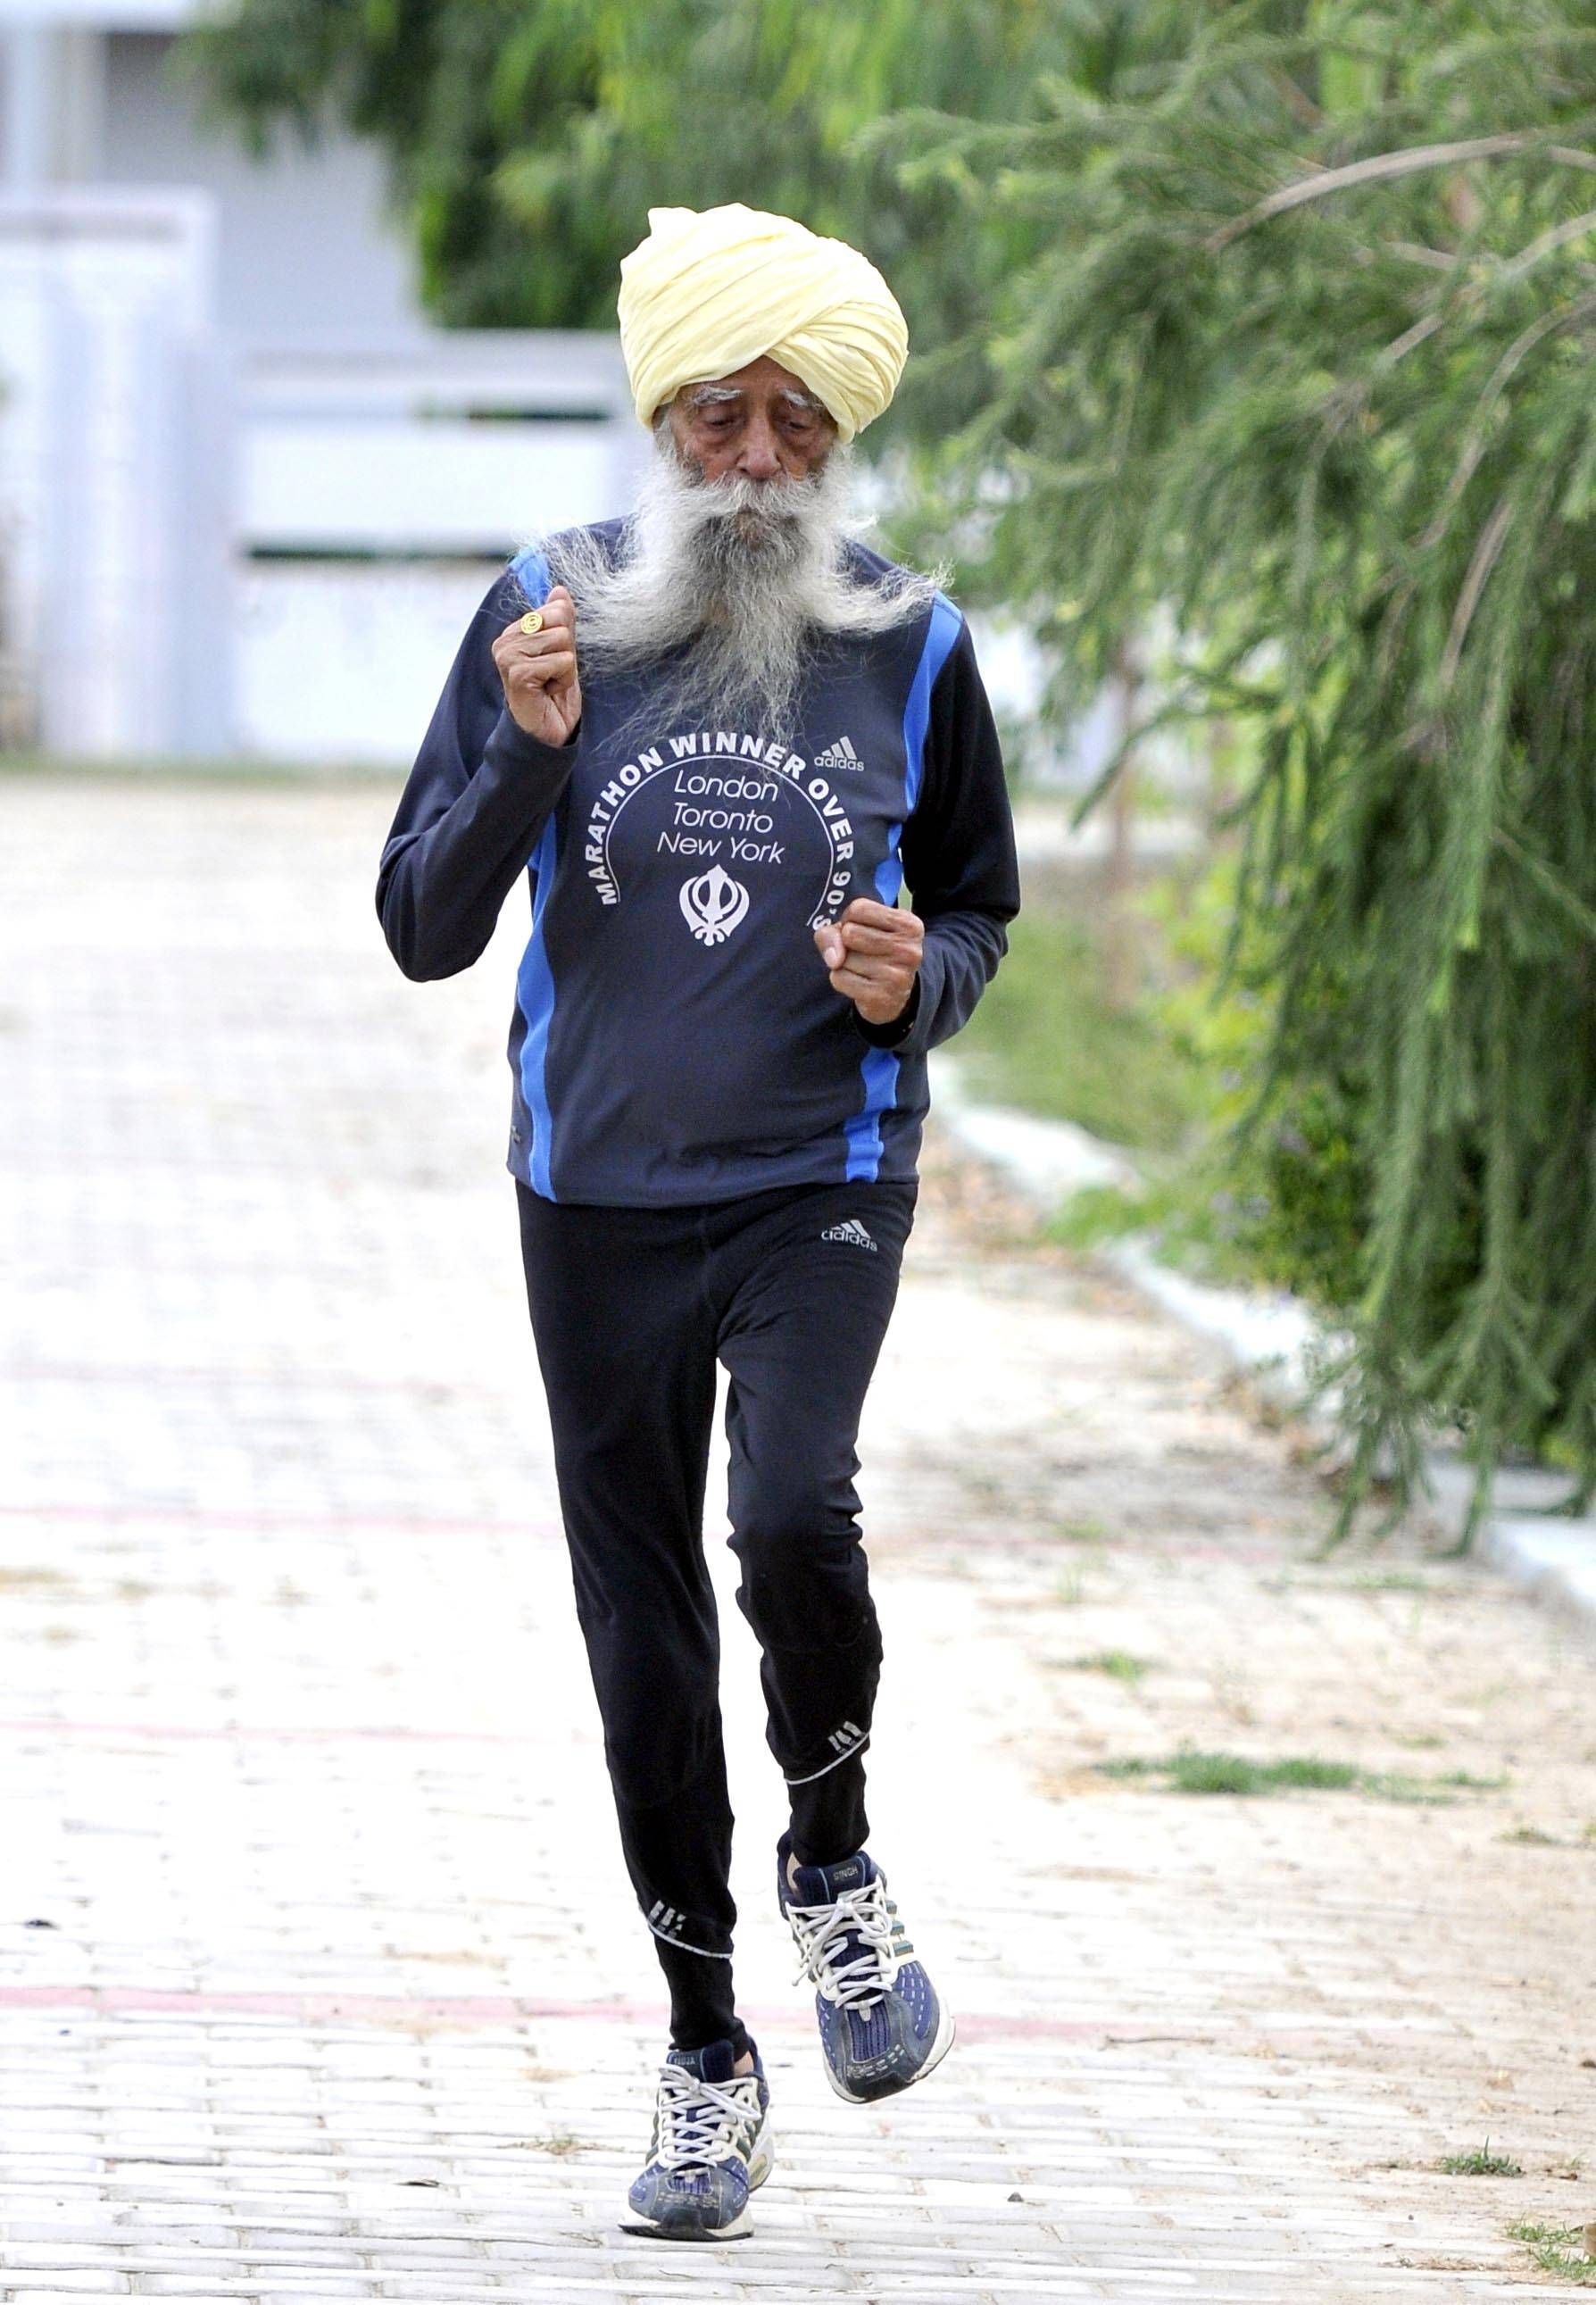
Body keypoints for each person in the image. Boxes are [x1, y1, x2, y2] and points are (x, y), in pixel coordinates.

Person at [377, 201, 1020, 2243]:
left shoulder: (915, 645)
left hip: (822, 1178)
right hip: (594, 1201)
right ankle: (705, 2054)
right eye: (719, 421)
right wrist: (521, 763)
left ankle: (829, 1859)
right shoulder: (545, 619)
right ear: (662, 420)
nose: (754, 465)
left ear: (836, 441)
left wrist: (915, 979)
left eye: (793, 428)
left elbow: (981, 908)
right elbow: (416, 922)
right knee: (643, 1641)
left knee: (789, 1509)